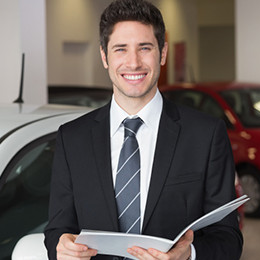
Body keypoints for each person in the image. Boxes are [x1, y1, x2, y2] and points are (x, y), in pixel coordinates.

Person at [44, 0, 243, 259]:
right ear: (104, 56)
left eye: (145, 48)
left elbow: (229, 239)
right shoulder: (72, 139)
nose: (133, 62)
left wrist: (189, 254)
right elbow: (57, 231)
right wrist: (61, 249)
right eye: (120, 49)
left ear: (162, 53)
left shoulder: (205, 135)